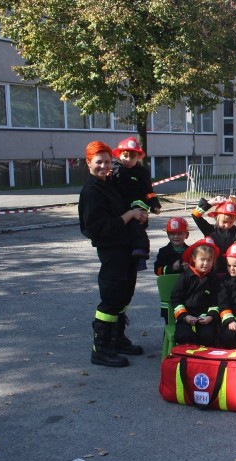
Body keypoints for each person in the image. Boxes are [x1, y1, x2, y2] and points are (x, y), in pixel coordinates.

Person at [79, 140, 147, 368]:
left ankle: (117, 339)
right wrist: (129, 215)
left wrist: (138, 215)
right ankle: (101, 348)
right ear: (88, 163)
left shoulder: (109, 183)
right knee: (111, 300)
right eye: (99, 162)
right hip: (112, 251)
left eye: (108, 161)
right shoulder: (91, 191)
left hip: (126, 248)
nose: (104, 166)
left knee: (124, 296)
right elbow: (97, 228)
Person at [111, 136, 160, 270]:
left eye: (132, 157)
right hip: (120, 206)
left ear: (138, 157)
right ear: (119, 155)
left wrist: (154, 204)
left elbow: (149, 191)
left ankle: (141, 253)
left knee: (137, 227)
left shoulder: (142, 172)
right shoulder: (114, 170)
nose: (128, 159)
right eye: (125, 156)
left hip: (138, 206)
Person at [171, 238, 220, 347]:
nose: (206, 263)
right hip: (186, 317)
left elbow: (215, 302)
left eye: (209, 260)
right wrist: (185, 316)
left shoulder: (213, 280)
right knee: (184, 336)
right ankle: (185, 361)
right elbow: (175, 299)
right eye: (202, 259)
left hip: (205, 318)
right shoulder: (185, 276)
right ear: (193, 258)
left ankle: (204, 361)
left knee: (209, 336)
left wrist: (210, 317)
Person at [191, 195, 236, 275]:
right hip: (213, 273)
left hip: (232, 273)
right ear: (216, 217)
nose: (227, 225)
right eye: (224, 222)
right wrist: (210, 203)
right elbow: (195, 215)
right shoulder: (209, 230)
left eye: (231, 222)